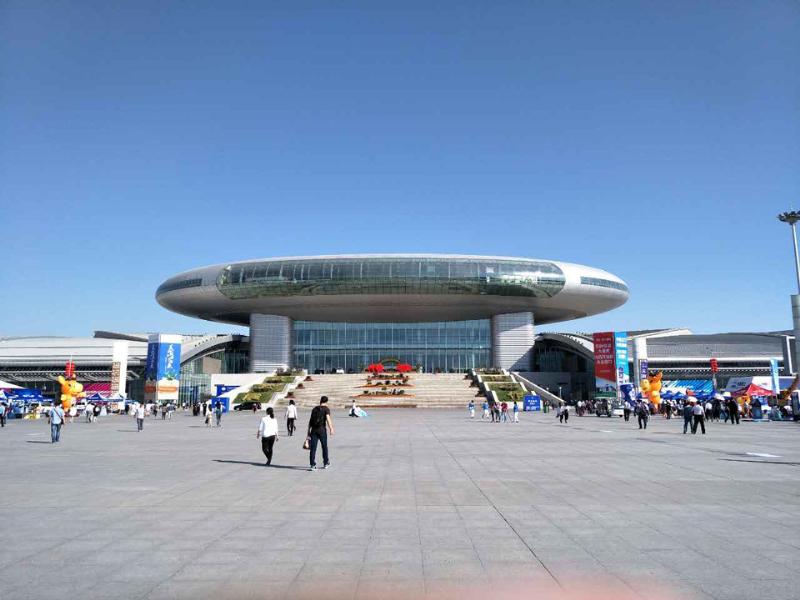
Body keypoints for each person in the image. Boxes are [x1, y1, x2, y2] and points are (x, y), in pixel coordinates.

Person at [307, 396, 334, 471]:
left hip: (313, 430)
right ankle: (325, 463)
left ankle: (312, 465)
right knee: (324, 446)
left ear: (320, 401)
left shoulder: (314, 409)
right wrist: (331, 429)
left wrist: (308, 432)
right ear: (326, 401)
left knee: (313, 448)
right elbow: (328, 419)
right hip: (322, 430)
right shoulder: (326, 409)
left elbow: (310, 421)